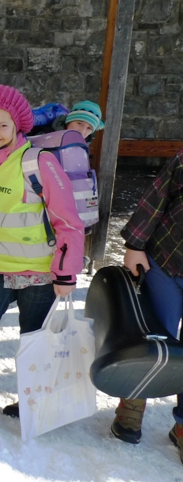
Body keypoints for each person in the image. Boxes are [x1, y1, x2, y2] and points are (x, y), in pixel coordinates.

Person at [0, 84, 85, 417]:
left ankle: (35, 403)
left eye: (2, 125)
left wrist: (65, 273)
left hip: (39, 275)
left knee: (35, 340)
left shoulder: (38, 162)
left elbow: (67, 221)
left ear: (17, 125)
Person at [109, 149, 183, 463]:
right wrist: (134, 245)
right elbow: (156, 198)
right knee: (153, 335)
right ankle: (133, 402)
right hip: (167, 261)